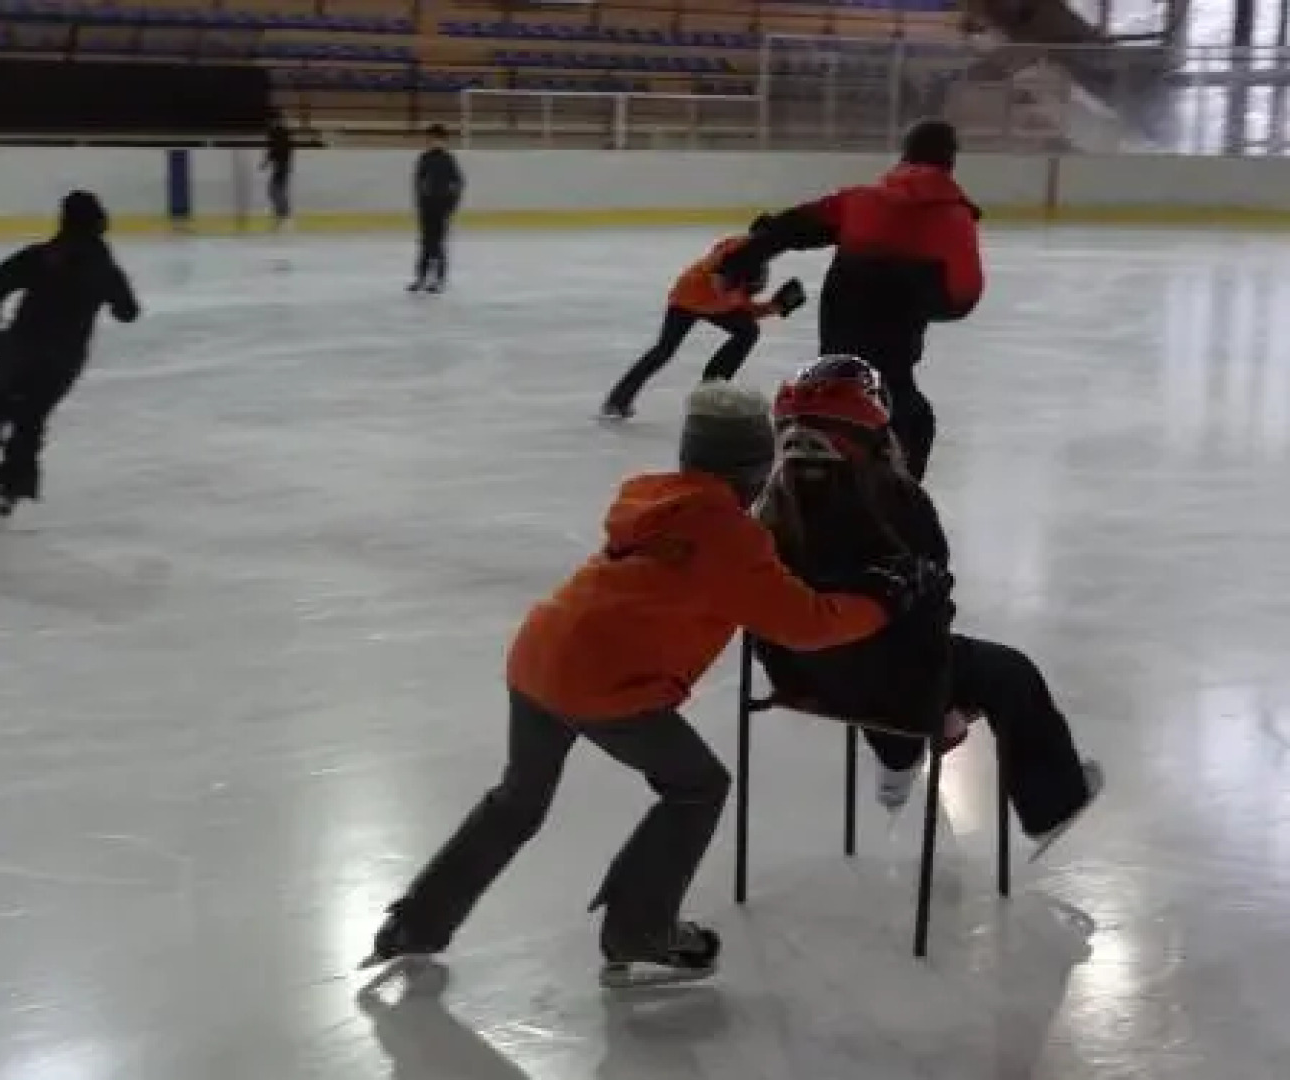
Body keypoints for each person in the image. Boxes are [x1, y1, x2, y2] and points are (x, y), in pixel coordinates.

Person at [366, 382, 947, 988]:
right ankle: (640, 930)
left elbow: (719, 572)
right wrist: (884, 599)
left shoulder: (658, 501)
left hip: (539, 657)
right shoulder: (727, 535)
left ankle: (417, 921)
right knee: (698, 786)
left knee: (517, 801)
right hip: (607, 686)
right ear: (755, 466)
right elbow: (807, 624)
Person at [751, 358, 1103, 858]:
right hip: (892, 687)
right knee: (1009, 673)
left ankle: (898, 758)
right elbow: (931, 607)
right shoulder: (900, 505)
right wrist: (940, 701)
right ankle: (1052, 805)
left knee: (865, 655)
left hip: (800, 677)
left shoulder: (765, 512)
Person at [716, 119, 985, 481]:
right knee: (908, 414)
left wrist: (740, 260)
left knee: (834, 393)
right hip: (895, 337)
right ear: (950, 161)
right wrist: (917, 293)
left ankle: (809, 476)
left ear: (904, 155)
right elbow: (962, 296)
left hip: (841, 320)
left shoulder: (862, 200)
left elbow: (794, 225)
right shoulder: (954, 219)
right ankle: (897, 494)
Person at [0, 191, 141, 526]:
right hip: (61, 360)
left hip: (21, 348)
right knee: (30, 421)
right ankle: (8, 493)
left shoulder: (44, 255)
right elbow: (128, 312)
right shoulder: (103, 267)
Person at [599, 216, 806, 420]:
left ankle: (710, 390)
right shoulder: (734, 248)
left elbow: (739, 303)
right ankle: (619, 400)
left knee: (747, 332)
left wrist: (774, 307)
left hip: (709, 304)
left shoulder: (758, 268)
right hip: (687, 299)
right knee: (665, 349)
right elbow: (717, 277)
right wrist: (734, 288)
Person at [409, 124, 464, 293]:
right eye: (430, 139)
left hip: (442, 208)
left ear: (444, 141)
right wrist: (420, 202)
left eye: (436, 139)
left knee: (438, 244)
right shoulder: (424, 158)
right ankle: (421, 278)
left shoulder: (448, 159)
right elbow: (418, 182)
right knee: (425, 243)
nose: (432, 142)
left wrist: (451, 204)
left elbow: (458, 183)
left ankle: (439, 280)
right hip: (427, 208)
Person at [262, 113, 294, 230]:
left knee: (274, 190)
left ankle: (284, 214)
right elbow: (276, 149)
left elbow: (274, 149)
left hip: (281, 165)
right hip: (283, 165)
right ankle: (282, 214)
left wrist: (266, 161)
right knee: (276, 190)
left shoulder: (277, 133)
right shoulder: (282, 132)